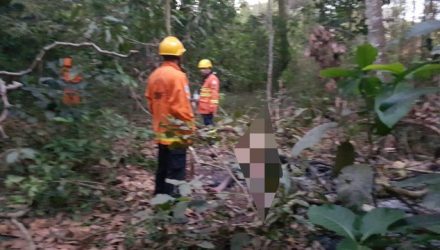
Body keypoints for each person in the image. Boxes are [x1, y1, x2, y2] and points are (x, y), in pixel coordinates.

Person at [145, 36, 195, 197]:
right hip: (176, 133)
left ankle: (159, 200)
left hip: (161, 132)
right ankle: (175, 211)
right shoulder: (178, 76)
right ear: (179, 56)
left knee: (163, 168)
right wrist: (190, 130)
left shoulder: (154, 76)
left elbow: (151, 104)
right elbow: (182, 107)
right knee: (177, 171)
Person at [197, 59, 220, 126]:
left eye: (204, 68)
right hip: (204, 109)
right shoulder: (206, 79)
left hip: (209, 110)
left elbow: (214, 95)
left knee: (209, 127)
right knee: (207, 127)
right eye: (201, 68)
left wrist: (213, 108)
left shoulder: (212, 79)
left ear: (209, 69)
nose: (202, 70)